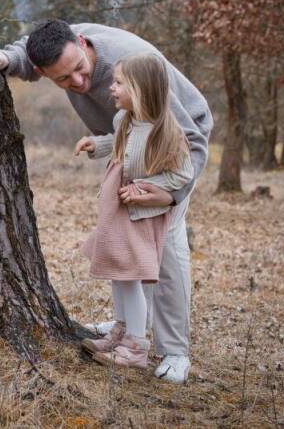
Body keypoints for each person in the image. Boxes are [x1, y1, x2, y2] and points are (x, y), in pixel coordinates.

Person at [0, 20, 213, 383]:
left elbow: (189, 140)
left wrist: (170, 194)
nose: (78, 84)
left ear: (82, 44)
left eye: (80, 70)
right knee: (130, 246)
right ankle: (130, 326)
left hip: (172, 156)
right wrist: (7, 59)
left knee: (166, 248)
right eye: (64, 80)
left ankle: (174, 350)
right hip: (131, 153)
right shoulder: (62, 39)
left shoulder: (131, 64)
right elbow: (28, 47)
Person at [74, 54, 193, 368]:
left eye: (118, 83)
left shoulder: (165, 132)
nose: (111, 88)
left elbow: (182, 175)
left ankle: (136, 348)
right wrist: (96, 145)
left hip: (139, 216)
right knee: (118, 274)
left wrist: (143, 188)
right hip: (117, 212)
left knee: (130, 277)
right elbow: (117, 142)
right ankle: (122, 330)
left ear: (140, 89)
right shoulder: (123, 120)